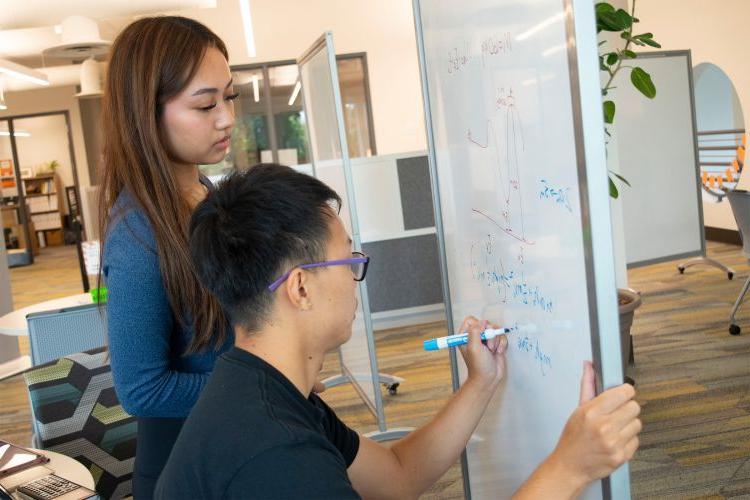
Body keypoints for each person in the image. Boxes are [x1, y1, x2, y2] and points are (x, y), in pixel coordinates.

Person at [154, 164, 641, 499]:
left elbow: (398, 477)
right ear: (299, 287)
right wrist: (571, 465)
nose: (357, 274)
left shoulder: (262, 388)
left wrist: (481, 382)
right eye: (349, 260)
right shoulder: (278, 455)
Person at [99, 16, 237, 498]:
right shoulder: (137, 229)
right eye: (205, 104)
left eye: (229, 96)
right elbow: (143, 390)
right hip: (189, 471)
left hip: (239, 447)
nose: (226, 118)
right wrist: (265, 388)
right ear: (147, 113)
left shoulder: (207, 192)